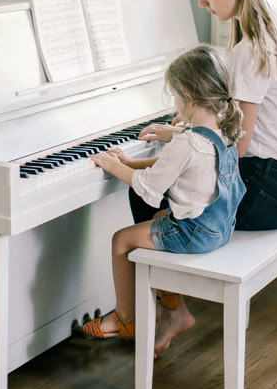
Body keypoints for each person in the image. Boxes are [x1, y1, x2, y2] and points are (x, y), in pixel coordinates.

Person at [133, 0, 277, 352]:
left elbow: (237, 147)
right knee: (164, 179)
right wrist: (181, 132)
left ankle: (172, 310)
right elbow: (235, 126)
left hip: (270, 190)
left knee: (148, 194)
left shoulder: (251, 49)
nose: (202, 2)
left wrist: (178, 148)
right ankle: (169, 305)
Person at [78, 44, 246, 343]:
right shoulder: (222, 129)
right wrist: (130, 162)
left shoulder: (187, 142)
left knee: (122, 239)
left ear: (189, 98)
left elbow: (149, 186)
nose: (174, 101)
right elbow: (173, 167)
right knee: (157, 217)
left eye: (175, 94)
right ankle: (170, 307)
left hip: (196, 233)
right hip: (219, 227)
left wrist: (114, 167)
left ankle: (125, 318)